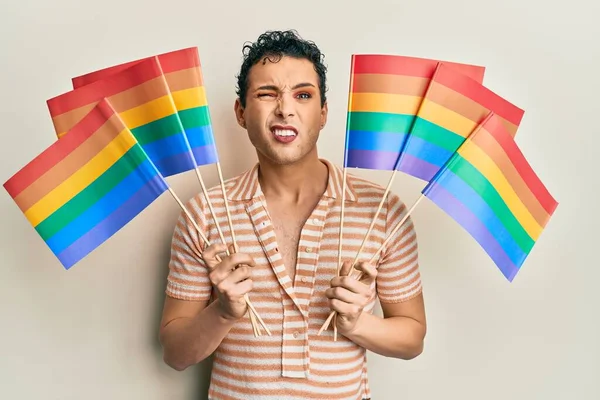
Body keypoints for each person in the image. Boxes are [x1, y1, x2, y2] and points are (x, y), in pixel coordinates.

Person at [159, 29, 426, 400]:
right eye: (267, 94)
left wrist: (358, 323)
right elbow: (175, 354)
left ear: (323, 113)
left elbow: (412, 338)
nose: (285, 109)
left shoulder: (382, 211)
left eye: (303, 95)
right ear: (240, 112)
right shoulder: (205, 212)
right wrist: (222, 312)